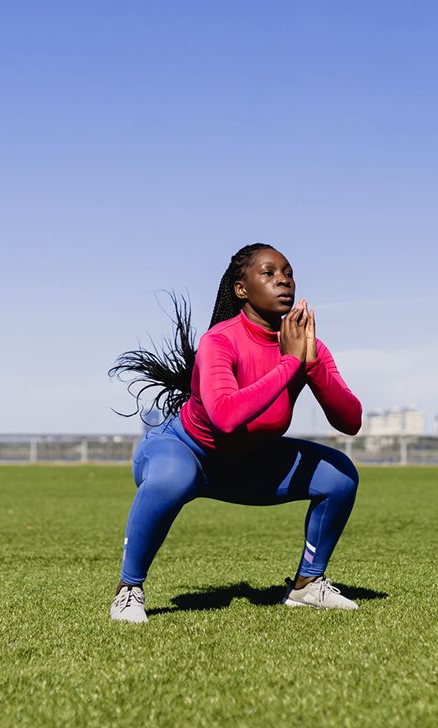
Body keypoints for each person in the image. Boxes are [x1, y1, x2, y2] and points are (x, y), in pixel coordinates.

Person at [108, 243, 363, 624]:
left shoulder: (306, 346)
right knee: (172, 479)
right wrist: (290, 363)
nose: (283, 281)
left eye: (288, 273)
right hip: (185, 452)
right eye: (269, 273)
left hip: (249, 464)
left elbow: (350, 420)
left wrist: (310, 366)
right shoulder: (220, 340)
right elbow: (226, 417)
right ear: (241, 289)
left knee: (340, 474)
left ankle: (307, 586)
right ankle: (129, 590)